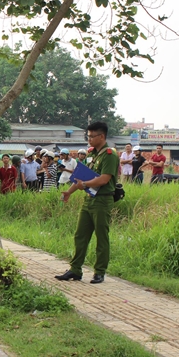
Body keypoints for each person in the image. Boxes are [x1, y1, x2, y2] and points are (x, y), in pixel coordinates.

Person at [56, 121, 119, 284]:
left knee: (101, 236)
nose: (89, 139)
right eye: (88, 136)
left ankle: (99, 271)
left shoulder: (110, 155)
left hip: (103, 201)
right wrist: (69, 192)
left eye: (92, 136)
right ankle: (75, 270)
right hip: (88, 199)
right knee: (80, 235)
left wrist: (85, 184)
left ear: (102, 136)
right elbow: (82, 176)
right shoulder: (92, 154)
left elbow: (104, 179)